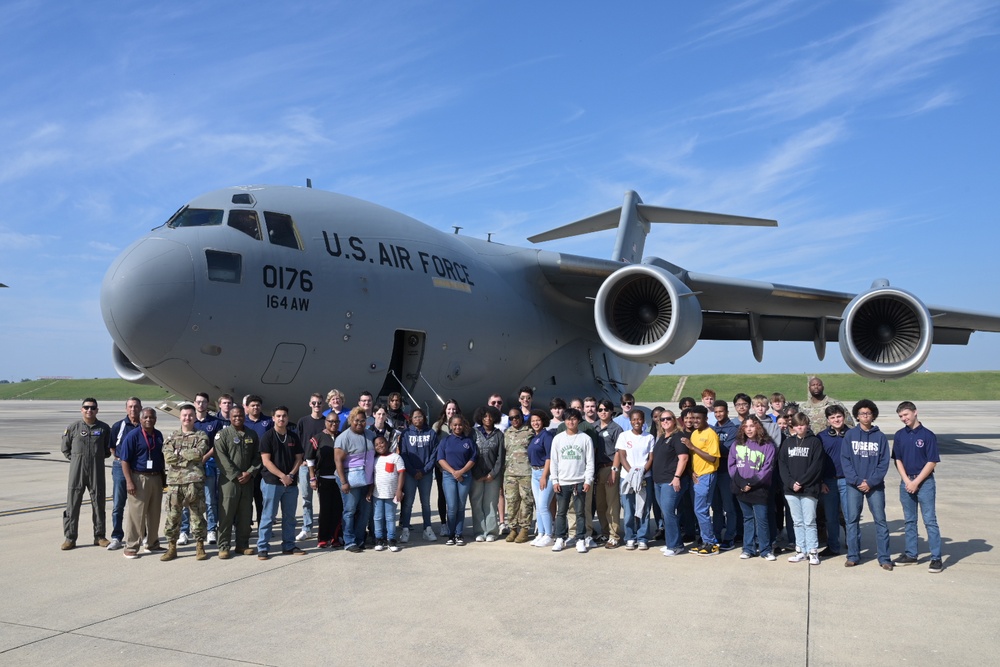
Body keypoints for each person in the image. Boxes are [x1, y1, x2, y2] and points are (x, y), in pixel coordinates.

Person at [892, 402, 943, 573]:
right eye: (900, 416)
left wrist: (916, 482)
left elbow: (932, 461)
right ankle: (911, 554)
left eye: (906, 415)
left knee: (930, 520)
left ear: (915, 413)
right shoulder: (899, 435)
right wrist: (907, 480)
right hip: (906, 481)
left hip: (925, 482)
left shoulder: (928, 435)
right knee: (909, 520)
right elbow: (897, 459)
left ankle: (936, 558)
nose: (904, 418)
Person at [842, 399, 892, 570]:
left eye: (868, 413)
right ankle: (853, 555)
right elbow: (845, 460)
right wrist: (857, 481)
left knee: (880, 520)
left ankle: (885, 558)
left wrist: (870, 482)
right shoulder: (850, 435)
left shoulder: (880, 437)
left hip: (875, 486)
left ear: (873, 416)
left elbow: (884, 462)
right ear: (857, 415)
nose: (865, 416)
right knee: (852, 520)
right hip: (853, 485)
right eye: (862, 413)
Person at [60, 397, 112, 550]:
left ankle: (100, 536)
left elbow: (107, 450)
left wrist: (95, 458)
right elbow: (65, 448)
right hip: (77, 471)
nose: (89, 410)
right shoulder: (73, 428)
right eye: (86, 407)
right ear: (81, 409)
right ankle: (70, 538)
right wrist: (77, 459)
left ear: (97, 410)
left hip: (97, 470)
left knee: (99, 502)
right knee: (72, 504)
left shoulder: (103, 428)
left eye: (92, 407)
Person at [161, 404, 211, 561]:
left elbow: (199, 453)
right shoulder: (172, 437)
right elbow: (168, 457)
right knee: (173, 516)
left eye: (190, 415)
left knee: (197, 516)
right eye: (184, 415)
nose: (187, 418)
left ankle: (200, 546)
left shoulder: (201, 435)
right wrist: (187, 456)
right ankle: (172, 547)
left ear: (195, 417)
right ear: (180, 417)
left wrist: (179, 454)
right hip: (175, 484)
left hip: (194, 483)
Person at [256, 406, 305, 560]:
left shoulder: (293, 436)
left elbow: (299, 458)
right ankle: (263, 547)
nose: (281, 419)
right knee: (268, 516)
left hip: (290, 484)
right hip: (272, 483)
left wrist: (290, 475)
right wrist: (282, 476)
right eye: (278, 416)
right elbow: (266, 461)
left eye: (284, 416)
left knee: (290, 517)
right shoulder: (267, 437)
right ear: (273, 418)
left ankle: (289, 545)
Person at [214, 406, 261, 559]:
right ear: (230, 417)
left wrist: (250, 472)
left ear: (244, 416)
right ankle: (224, 546)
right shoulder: (223, 435)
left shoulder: (251, 434)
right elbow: (221, 458)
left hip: (247, 481)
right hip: (229, 481)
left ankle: (242, 545)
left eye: (240, 415)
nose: (238, 418)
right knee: (226, 514)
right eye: (234, 416)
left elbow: (257, 456)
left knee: (245, 514)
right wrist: (235, 475)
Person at [729, 416, 777, 561]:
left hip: (759, 488)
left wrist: (751, 483)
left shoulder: (767, 445)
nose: (749, 429)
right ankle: (748, 548)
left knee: (761, 519)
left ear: (758, 427)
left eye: (752, 426)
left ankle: (765, 549)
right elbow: (732, 465)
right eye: (746, 426)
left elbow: (767, 468)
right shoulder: (737, 444)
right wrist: (742, 483)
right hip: (741, 488)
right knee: (747, 518)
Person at [779, 413, 825, 565]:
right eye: (797, 424)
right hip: (791, 490)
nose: (800, 427)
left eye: (803, 424)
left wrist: (801, 482)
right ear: (793, 426)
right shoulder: (787, 442)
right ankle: (801, 550)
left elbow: (816, 467)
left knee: (809, 521)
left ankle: (813, 551)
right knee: (797, 521)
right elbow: (782, 465)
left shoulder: (815, 442)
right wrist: (791, 483)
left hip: (809, 489)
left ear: (807, 425)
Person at [119, 408, 165, 559]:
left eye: (151, 417)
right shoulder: (133, 436)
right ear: (140, 419)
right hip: (139, 478)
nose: (148, 420)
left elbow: (161, 457)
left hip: (156, 477)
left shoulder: (158, 435)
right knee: (137, 514)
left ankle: (152, 543)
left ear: (155, 419)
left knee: (154, 513)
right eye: (145, 417)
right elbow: (124, 460)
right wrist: (129, 482)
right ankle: (131, 546)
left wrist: (163, 478)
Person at [178, 393, 222, 547]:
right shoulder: (190, 423)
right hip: (189, 470)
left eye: (203, 402)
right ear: (194, 403)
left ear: (208, 403)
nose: (201, 405)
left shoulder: (215, 422)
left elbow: (217, 445)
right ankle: (184, 531)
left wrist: (203, 458)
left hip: (208, 465)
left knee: (210, 501)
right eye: (198, 402)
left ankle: (211, 529)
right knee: (187, 501)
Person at [549, 409, 595, 553]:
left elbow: (590, 461)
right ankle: (560, 538)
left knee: (580, 512)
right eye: (568, 419)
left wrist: (588, 480)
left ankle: (580, 539)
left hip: (579, 480)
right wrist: (554, 480)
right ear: (564, 421)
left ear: (578, 420)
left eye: (574, 419)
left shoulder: (585, 438)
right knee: (561, 512)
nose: (571, 422)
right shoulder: (558, 438)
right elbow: (554, 461)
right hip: (562, 481)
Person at [335, 407, 376, 553]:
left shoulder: (371, 434)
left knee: (365, 511)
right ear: (351, 420)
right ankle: (349, 541)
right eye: (356, 420)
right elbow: (338, 461)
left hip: (367, 479)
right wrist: (344, 482)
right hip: (350, 480)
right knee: (350, 510)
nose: (359, 423)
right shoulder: (343, 437)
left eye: (362, 420)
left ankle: (359, 540)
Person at [683, 405, 721, 556]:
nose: (695, 421)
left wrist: (692, 446)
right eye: (693, 418)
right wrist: (692, 471)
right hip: (697, 475)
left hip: (707, 475)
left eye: (698, 418)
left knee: (701, 509)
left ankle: (710, 543)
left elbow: (712, 457)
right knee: (698, 510)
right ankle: (705, 540)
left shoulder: (710, 434)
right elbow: (694, 456)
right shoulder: (694, 433)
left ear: (706, 418)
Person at [651, 411, 689, 557]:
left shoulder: (678, 437)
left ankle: (673, 546)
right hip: (659, 481)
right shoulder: (661, 437)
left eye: (668, 418)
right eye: (662, 419)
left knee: (668, 512)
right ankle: (674, 542)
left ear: (674, 420)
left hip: (670, 481)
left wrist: (677, 477)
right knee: (665, 513)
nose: (665, 421)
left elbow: (683, 459)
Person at [615, 409, 654, 551]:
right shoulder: (624, 436)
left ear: (643, 421)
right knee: (629, 509)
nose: (637, 422)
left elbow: (651, 458)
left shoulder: (649, 437)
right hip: (627, 477)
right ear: (630, 421)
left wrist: (642, 472)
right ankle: (630, 537)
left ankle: (642, 537)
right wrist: (632, 473)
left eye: (639, 419)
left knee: (644, 507)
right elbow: (622, 456)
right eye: (634, 419)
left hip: (645, 477)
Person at [436, 415, 478, 545]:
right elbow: (440, 459)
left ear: (463, 425)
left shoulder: (469, 441)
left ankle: (459, 534)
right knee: (452, 506)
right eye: (455, 425)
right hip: (449, 476)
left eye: (460, 424)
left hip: (464, 476)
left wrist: (461, 471)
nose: (457, 427)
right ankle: (450, 534)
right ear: (450, 425)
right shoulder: (445, 441)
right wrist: (454, 472)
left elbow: (473, 459)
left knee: (460, 506)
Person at [398, 408, 438, 542]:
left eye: (420, 417)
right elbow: (403, 454)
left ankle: (427, 528)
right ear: (411, 419)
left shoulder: (431, 433)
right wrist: (413, 471)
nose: (418, 419)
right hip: (410, 473)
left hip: (426, 474)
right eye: (415, 417)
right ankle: (405, 530)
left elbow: (434, 454)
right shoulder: (406, 434)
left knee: (425, 502)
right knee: (408, 502)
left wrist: (424, 470)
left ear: (424, 418)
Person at [107, 397, 142, 550]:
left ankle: (142, 535)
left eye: (135, 406)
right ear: (126, 409)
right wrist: (121, 460)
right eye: (130, 406)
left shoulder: (145, 424)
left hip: (139, 469)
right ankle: (116, 536)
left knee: (140, 504)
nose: (133, 409)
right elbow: (112, 447)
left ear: (140, 408)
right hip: (120, 468)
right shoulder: (118, 426)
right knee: (118, 504)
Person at [306, 411, 343, 549]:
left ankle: (335, 537)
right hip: (323, 479)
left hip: (339, 480)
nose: (333, 424)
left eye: (336, 422)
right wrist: (312, 478)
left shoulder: (342, 436)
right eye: (331, 421)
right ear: (325, 422)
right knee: (325, 509)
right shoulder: (318, 438)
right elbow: (310, 459)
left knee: (338, 510)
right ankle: (323, 538)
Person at [816, 404, 848, 557]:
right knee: (831, 516)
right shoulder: (821, 437)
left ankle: (853, 546)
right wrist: (821, 481)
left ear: (844, 416)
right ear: (828, 420)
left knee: (850, 516)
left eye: (839, 416)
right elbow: (817, 461)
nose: (836, 420)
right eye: (832, 417)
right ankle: (833, 546)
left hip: (848, 481)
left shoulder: (853, 434)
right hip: (829, 482)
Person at [296, 393, 328, 541]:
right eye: (314, 403)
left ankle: (324, 528)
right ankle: (307, 528)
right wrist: (301, 459)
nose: (317, 405)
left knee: (324, 499)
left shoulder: (326, 422)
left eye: (319, 403)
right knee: (306, 499)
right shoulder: (303, 421)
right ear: (310, 404)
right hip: (304, 466)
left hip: (322, 466)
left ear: (323, 405)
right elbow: (298, 442)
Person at [471, 406, 505, 542]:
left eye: (491, 416)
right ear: (480, 417)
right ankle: (479, 531)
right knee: (476, 502)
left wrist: (493, 473)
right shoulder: (473, 433)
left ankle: (491, 531)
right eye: (485, 416)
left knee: (491, 503)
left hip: (493, 476)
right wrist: (477, 473)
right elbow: (471, 454)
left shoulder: (499, 435)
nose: (488, 419)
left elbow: (500, 457)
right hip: (476, 475)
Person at [711, 400, 741, 550]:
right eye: (716, 412)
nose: (718, 414)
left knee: (729, 507)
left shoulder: (733, 430)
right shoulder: (712, 429)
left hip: (726, 473)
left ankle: (730, 536)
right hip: (712, 472)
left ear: (727, 412)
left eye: (721, 411)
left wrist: (711, 447)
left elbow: (727, 452)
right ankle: (716, 534)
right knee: (716, 508)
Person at [594, 399, 623, 547]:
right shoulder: (595, 427)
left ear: (611, 411)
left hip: (611, 467)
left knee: (612, 504)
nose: (603, 412)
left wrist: (614, 471)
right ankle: (605, 533)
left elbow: (619, 451)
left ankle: (615, 535)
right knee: (601, 505)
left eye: (606, 409)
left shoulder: (616, 429)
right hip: (598, 469)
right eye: (600, 410)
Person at [502, 409, 534, 543]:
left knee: (526, 502)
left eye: (517, 417)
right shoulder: (507, 433)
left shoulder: (529, 431)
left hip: (526, 473)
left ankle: (524, 529)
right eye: (511, 418)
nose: (514, 420)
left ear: (522, 417)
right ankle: (513, 528)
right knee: (511, 502)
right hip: (510, 474)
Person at [432, 399, 463, 535]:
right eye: (449, 409)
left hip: (459, 467)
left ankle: (456, 524)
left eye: (454, 409)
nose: (451, 412)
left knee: (457, 497)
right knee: (443, 495)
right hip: (442, 467)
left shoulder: (462, 425)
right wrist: (439, 465)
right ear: (445, 410)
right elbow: (434, 448)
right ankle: (444, 523)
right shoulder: (437, 426)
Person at [371, 436, 405, 552]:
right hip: (377, 494)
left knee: (390, 518)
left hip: (391, 494)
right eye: (376, 444)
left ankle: (391, 539)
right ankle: (379, 539)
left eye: (382, 443)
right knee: (377, 517)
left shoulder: (396, 457)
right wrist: (370, 492)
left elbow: (401, 474)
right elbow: (372, 476)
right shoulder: (375, 459)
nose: (380, 445)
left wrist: (399, 490)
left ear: (387, 443)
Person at [527, 409, 555, 548]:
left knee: (544, 506)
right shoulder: (534, 437)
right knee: (538, 507)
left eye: (537, 420)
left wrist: (544, 476)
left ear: (543, 421)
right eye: (533, 421)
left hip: (546, 474)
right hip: (534, 473)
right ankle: (541, 533)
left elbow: (549, 457)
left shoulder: (547, 436)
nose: (535, 423)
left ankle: (549, 535)